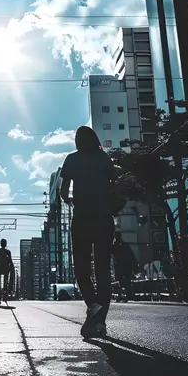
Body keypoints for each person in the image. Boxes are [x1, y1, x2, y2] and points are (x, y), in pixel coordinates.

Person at [60, 126, 118, 339]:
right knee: (103, 269)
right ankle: (100, 321)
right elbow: (114, 184)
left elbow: (63, 192)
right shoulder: (104, 159)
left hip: (83, 218)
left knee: (82, 268)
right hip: (104, 219)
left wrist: (72, 200)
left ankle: (92, 305)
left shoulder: (72, 159)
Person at [112, 232, 138, 301]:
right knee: (126, 281)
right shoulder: (124, 245)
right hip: (125, 265)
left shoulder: (115, 246)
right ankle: (128, 295)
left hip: (120, 265)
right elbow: (131, 256)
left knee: (120, 281)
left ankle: (122, 295)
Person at [0, 238, 14, 306]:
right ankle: (4, 296)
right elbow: (10, 261)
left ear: (0, 244)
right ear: (5, 244)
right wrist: (12, 268)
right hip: (6, 269)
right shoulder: (8, 252)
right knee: (5, 283)